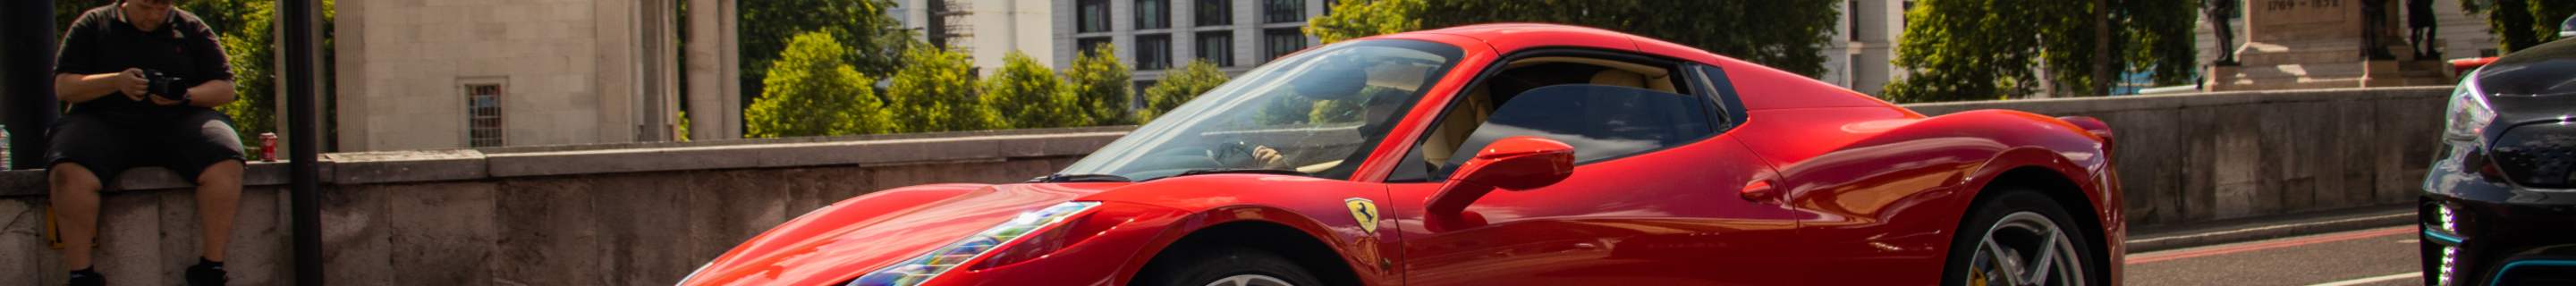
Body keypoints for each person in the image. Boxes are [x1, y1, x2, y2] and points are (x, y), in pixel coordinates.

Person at [47, 0, 244, 285]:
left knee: (226, 158)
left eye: (160, 8)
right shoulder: (93, 23)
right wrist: (116, 81)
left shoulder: (191, 27)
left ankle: (211, 267)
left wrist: (185, 95)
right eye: (144, 7)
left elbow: (225, 88)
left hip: (178, 118)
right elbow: (64, 86)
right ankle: (81, 274)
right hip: (103, 119)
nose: (152, 16)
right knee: (67, 170)